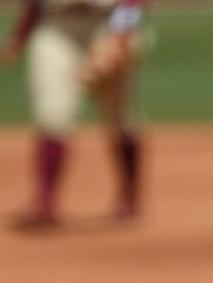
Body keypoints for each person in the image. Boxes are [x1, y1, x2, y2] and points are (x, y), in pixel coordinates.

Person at [3, 0, 148, 228]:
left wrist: (120, 34)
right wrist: (20, 35)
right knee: (52, 115)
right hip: (56, 26)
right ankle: (45, 201)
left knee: (120, 116)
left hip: (107, 25)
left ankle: (129, 196)